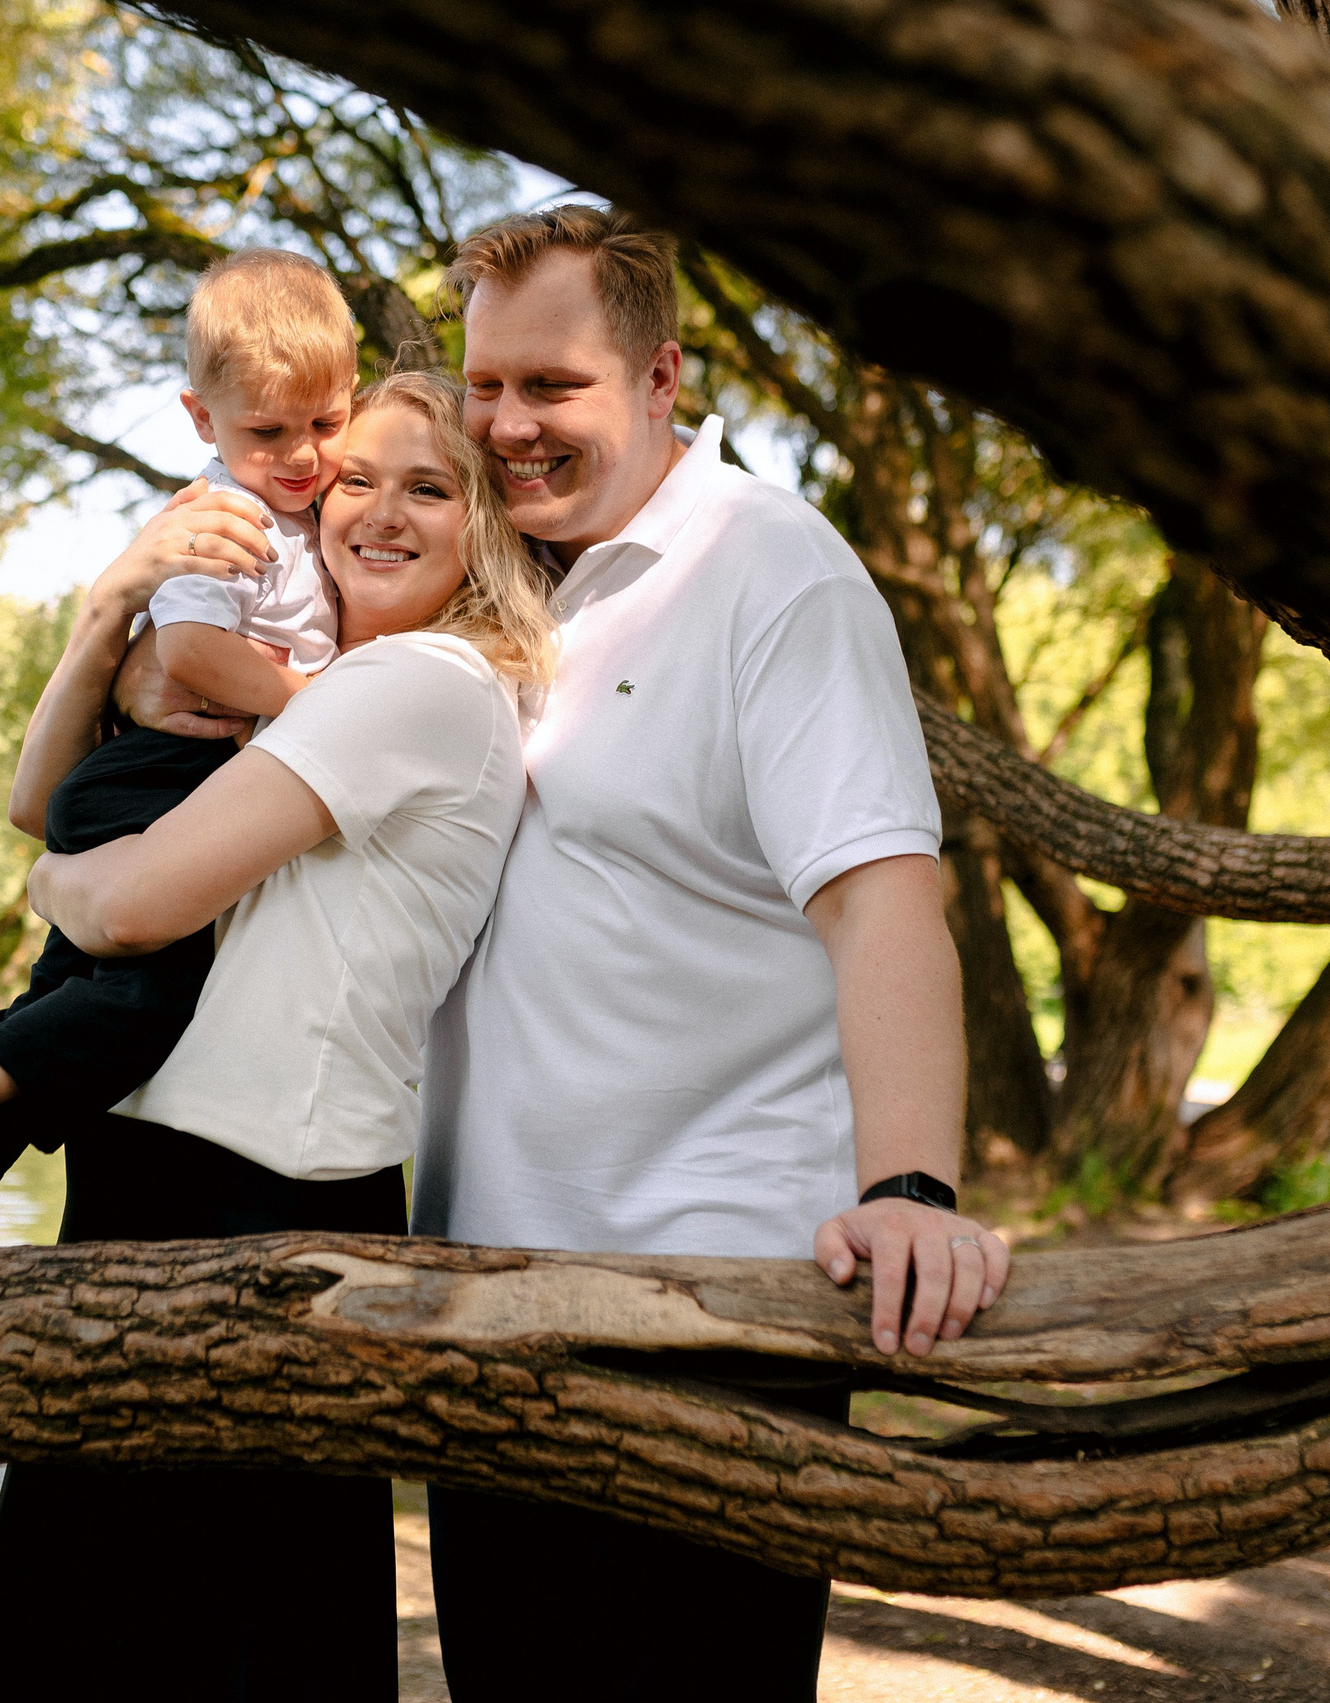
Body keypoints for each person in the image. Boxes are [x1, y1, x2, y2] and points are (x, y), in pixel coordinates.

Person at [412, 206, 1015, 1700]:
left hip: (716, 1310)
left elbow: (882, 895)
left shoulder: (773, 571)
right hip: (493, 1302)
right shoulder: (495, 580)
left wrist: (913, 1190)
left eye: (552, 386)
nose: (506, 424)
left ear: (665, 373)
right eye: (485, 386)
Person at [0, 369, 558, 1700]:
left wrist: (55, 883)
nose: (377, 512)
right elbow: (48, 795)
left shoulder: (422, 683)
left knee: (233, 1635)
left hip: (265, 1208)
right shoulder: (325, 678)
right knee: (85, 1622)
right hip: (150, 1179)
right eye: (357, 479)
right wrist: (111, 607)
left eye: (430, 487)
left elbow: (122, 895)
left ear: (487, 532)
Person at [0, 247, 357, 1270]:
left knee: (65, 1000)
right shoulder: (222, 521)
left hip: (149, 781)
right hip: (151, 780)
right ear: (201, 420)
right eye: (268, 431)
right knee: (146, 997)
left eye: (325, 422)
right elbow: (186, 652)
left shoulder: (312, 515)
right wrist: (309, 702)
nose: (304, 453)